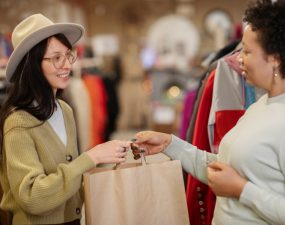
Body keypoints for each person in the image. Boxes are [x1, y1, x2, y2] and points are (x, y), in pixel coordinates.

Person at [132, 0, 285, 224]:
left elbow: (235, 184)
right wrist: (170, 144)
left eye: (248, 52)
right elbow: (222, 169)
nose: (239, 58)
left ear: (274, 58)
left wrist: (242, 190)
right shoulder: (259, 107)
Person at [0, 14, 130, 225]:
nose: (67, 65)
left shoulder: (65, 110)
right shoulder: (18, 122)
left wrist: (104, 159)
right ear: (32, 64)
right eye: (55, 58)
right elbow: (31, 197)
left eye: (68, 56)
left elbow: (67, 173)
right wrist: (89, 158)